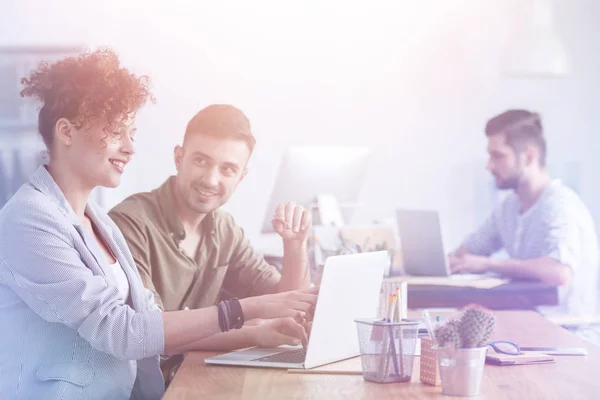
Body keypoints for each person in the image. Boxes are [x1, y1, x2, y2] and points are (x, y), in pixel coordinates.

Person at [0, 49, 316, 400]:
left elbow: (152, 324)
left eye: (131, 132)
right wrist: (247, 312)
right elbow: (119, 330)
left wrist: (258, 327)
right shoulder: (28, 220)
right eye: (116, 131)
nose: (130, 147)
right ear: (66, 131)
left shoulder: (100, 222)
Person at [108, 104, 314, 357]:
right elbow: (149, 332)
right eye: (201, 161)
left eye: (227, 169)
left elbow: (287, 309)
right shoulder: (130, 223)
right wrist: (251, 332)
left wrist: (295, 247)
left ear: (241, 176)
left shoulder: (225, 229)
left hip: (195, 375)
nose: (210, 179)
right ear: (178, 157)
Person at [449, 109, 599, 318]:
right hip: (532, 327)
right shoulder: (510, 206)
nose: (489, 165)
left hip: (569, 335)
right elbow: (466, 253)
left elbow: (559, 272)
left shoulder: (560, 204)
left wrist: (489, 265)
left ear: (528, 156)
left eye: (498, 156)